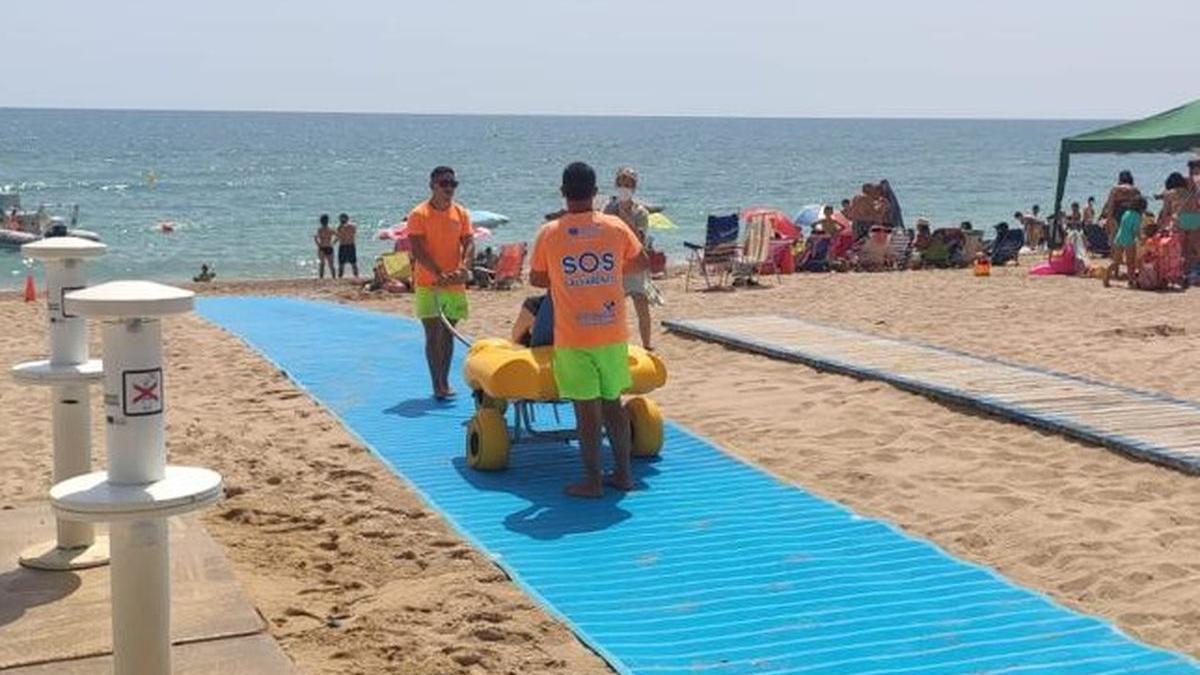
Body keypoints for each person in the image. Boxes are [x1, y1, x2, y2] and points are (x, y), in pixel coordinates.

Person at [530, 161, 647, 498]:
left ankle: (593, 481)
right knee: (613, 403)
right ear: (596, 193)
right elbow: (641, 262)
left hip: (574, 336)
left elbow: (537, 279)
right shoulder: (614, 227)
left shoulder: (551, 233)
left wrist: (566, 274)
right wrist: (608, 269)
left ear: (563, 193)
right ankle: (624, 474)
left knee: (586, 412)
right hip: (611, 332)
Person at [407, 166, 475, 399]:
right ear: (432, 186)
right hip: (429, 283)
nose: (449, 188)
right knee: (433, 333)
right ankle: (436, 383)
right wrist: (437, 272)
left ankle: (444, 382)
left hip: (454, 283)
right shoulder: (419, 214)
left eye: (452, 184)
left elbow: (468, 241)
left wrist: (464, 266)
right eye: (444, 184)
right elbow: (417, 248)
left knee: (448, 333)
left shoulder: (461, 213)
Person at [602, 167, 654, 351]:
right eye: (621, 184)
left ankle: (647, 344)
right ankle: (614, 344)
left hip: (635, 263)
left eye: (628, 184)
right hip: (615, 265)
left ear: (634, 187)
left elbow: (639, 239)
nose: (624, 187)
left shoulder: (640, 212)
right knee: (613, 308)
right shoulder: (608, 208)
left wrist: (624, 215)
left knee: (641, 304)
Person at [1106, 196, 1146, 287]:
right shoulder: (1137, 216)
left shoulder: (1126, 213)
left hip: (1119, 238)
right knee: (1130, 262)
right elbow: (1135, 230)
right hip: (1129, 239)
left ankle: (1107, 276)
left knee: (1116, 261)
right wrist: (1141, 239)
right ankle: (1131, 281)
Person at [1101, 170, 1143, 243]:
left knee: (1115, 238)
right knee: (1131, 238)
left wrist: (1108, 220)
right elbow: (1140, 207)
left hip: (1117, 214)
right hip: (1131, 215)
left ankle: (1115, 253)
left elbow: (1110, 206)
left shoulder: (1115, 189)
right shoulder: (1135, 190)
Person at [1178, 160, 1200, 272]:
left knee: (1185, 244)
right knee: (1192, 243)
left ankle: (1185, 268)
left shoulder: (1186, 180)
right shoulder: (1195, 181)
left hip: (1186, 214)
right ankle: (1190, 268)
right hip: (1194, 214)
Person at [335, 213, 358, 279]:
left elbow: (339, 236)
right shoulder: (351, 226)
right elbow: (339, 237)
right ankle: (341, 276)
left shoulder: (341, 227)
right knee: (342, 263)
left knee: (351, 263)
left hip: (347, 245)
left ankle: (355, 276)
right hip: (346, 245)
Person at [313, 214, 335, 279]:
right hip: (327, 246)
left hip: (323, 247)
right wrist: (333, 243)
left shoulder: (321, 229)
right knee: (329, 264)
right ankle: (332, 277)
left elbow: (315, 238)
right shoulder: (329, 229)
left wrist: (318, 244)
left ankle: (323, 277)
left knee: (323, 264)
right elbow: (338, 236)